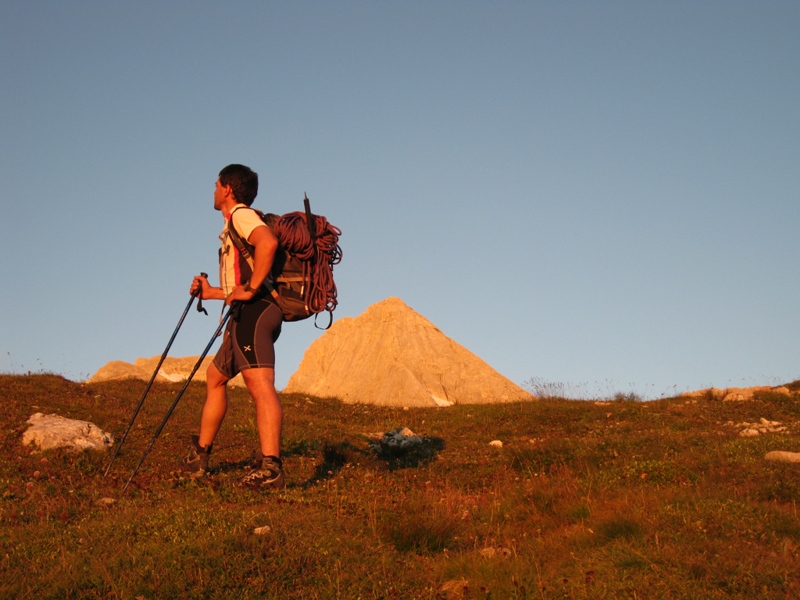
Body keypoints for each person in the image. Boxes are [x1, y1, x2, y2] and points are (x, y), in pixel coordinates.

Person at [181, 164, 285, 489]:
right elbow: (239, 282)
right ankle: (200, 454)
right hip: (246, 313)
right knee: (216, 377)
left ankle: (272, 468)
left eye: (215, 184)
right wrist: (210, 292)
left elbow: (267, 243)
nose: (212, 190)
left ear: (227, 189)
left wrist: (252, 289)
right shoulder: (231, 226)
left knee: (258, 383)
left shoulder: (241, 216)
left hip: (257, 310)